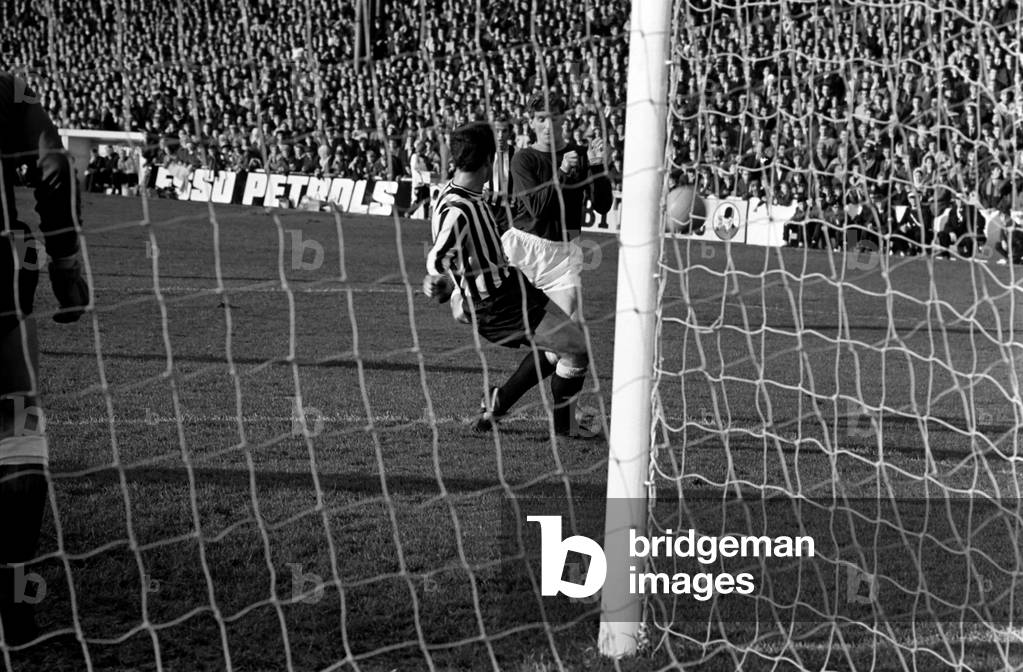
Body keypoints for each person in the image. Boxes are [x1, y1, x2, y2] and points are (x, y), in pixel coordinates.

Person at [422, 122, 589, 436]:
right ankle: (565, 429)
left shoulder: (461, 193)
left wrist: (452, 285)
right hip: (498, 305)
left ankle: (500, 401)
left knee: (564, 341)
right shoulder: (460, 209)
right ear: (488, 160)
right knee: (576, 348)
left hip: (511, 285)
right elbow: (440, 255)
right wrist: (438, 280)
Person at [0, 72, 89, 646]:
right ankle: (13, 605)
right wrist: (65, 263)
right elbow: (54, 166)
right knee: (17, 427)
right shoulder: (7, 88)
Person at [503, 93, 613, 435]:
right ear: (532, 122)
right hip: (525, 250)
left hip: (564, 255)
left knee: (571, 340)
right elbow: (537, 208)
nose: (548, 125)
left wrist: (598, 166)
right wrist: (563, 173)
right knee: (486, 316)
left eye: (554, 118)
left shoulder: (579, 154)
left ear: (564, 119)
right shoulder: (524, 159)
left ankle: (559, 424)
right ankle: (501, 401)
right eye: (541, 119)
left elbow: (603, 205)